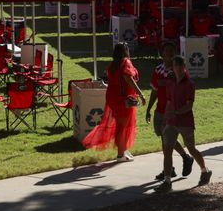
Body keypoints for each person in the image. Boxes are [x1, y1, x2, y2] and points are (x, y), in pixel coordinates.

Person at [154, 56, 212, 193]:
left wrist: (176, 112)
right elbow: (168, 101)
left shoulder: (189, 84)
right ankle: (167, 181)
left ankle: (205, 171)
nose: (178, 68)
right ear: (173, 67)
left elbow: (189, 105)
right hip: (171, 121)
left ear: (184, 67)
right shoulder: (171, 83)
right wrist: (165, 117)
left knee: (191, 149)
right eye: (176, 66)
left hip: (185, 122)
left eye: (180, 66)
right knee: (167, 150)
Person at [83, 43, 147, 161]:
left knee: (121, 125)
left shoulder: (113, 64)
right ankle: (120, 154)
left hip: (113, 97)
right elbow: (129, 79)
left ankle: (123, 149)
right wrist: (141, 94)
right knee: (123, 126)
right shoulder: (125, 62)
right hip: (123, 98)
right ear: (125, 51)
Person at [146, 41, 194, 181]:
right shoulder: (158, 70)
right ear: (161, 54)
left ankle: (169, 169)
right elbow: (154, 91)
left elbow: (183, 87)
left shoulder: (177, 71)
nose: (169, 54)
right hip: (159, 109)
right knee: (164, 138)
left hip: (172, 110)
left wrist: (166, 83)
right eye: (166, 51)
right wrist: (149, 108)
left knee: (167, 139)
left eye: (171, 51)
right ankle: (181, 161)